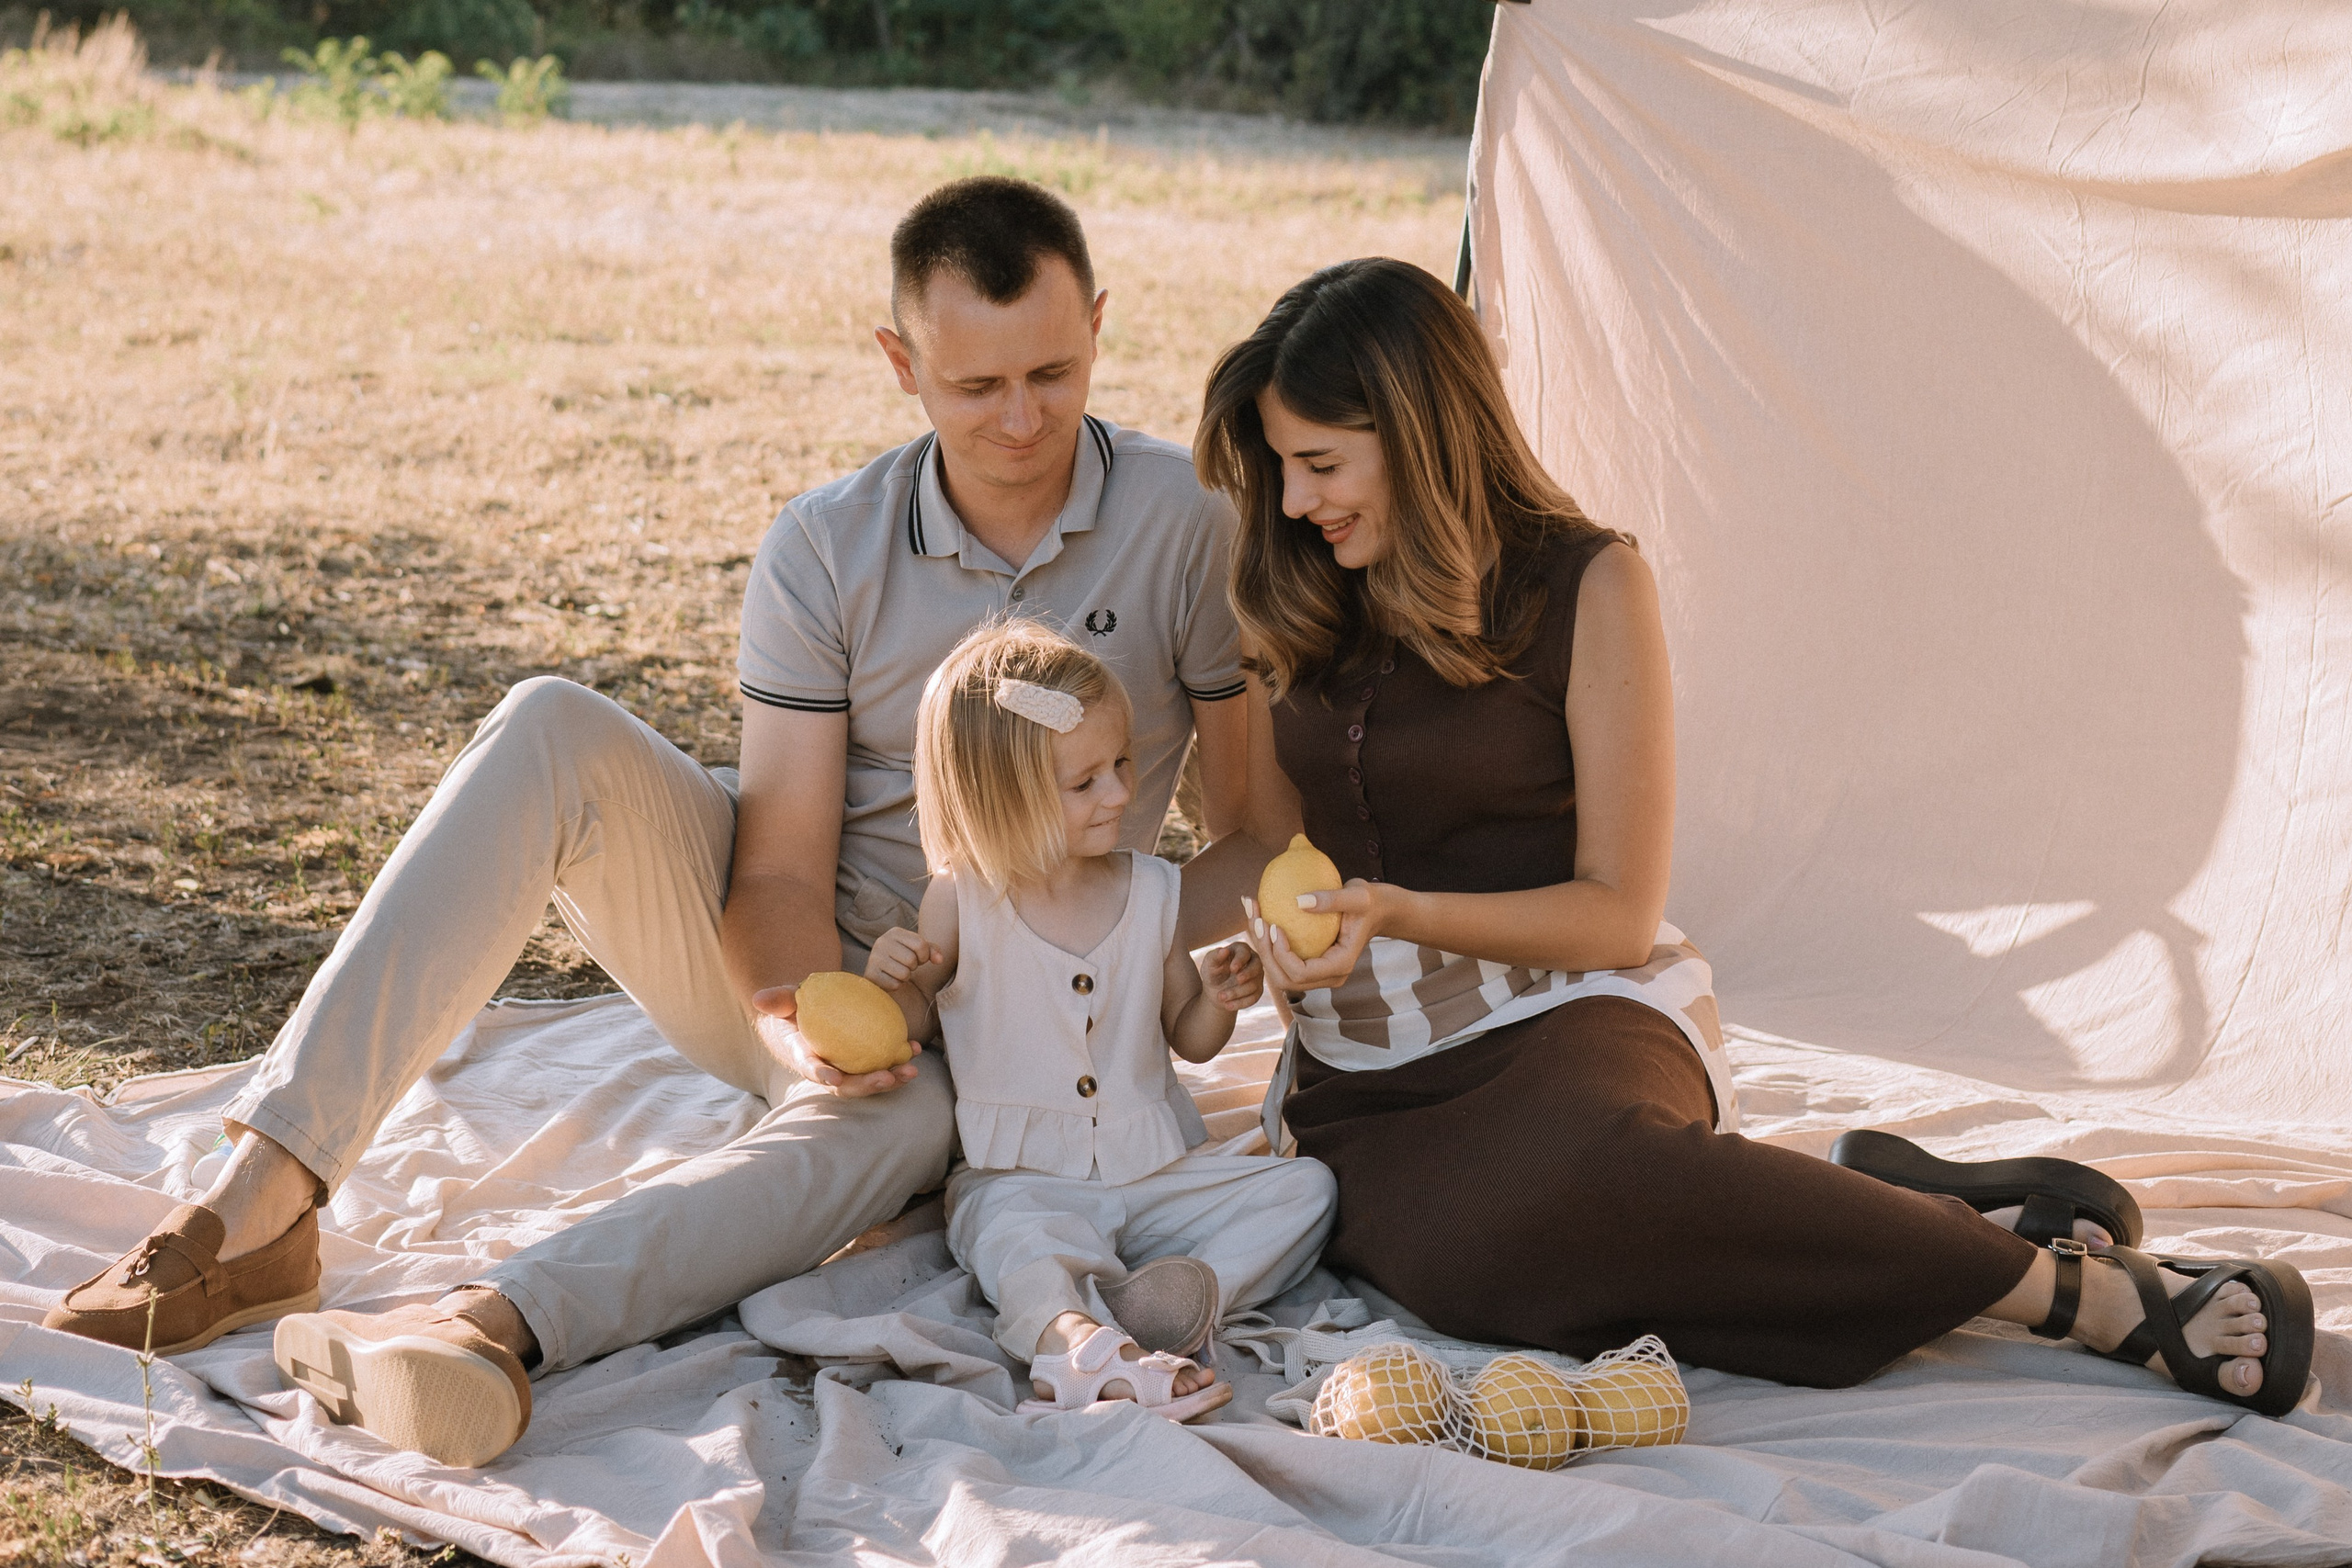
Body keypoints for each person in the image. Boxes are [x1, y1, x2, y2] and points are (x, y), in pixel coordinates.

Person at [42, 175, 1252, 1468]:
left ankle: (484, 1328)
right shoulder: (826, 544)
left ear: (1103, 328)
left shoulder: (1188, 525)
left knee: (905, 1124)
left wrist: (1126, 981)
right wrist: (797, 1026)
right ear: (901, 363)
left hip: (1000, 1023)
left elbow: (1246, 829)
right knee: (548, 720)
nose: (1021, 418)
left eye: (1053, 373)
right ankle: (264, 1198)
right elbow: (779, 858)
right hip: (821, 968)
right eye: (975, 387)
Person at [1178, 257, 2314, 1417]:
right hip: (1367, 1068)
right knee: (1469, 1271)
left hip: (1564, 1008)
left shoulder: (1587, 584)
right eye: (1277, 466)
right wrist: (1107, 940)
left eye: (1320, 464)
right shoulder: (1292, 587)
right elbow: (1263, 839)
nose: (1293, 499)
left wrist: (1398, 910)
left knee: (1589, 1179)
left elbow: (1616, 910)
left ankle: (2067, 1292)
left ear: (1421, 434)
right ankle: (1891, 1209)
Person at [860, 620, 1334, 1423]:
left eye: (1121, 765)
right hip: (1024, 1176)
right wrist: (892, 976)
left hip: (1154, 1172)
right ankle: (1076, 1339)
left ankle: (1172, 1301)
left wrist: (1220, 1002)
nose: (1119, 792)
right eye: (1086, 783)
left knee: (1306, 1189)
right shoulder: (964, 898)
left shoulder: (1152, 889)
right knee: (1020, 1244)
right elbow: (909, 1018)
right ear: (1003, 798)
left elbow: (1187, 1036)